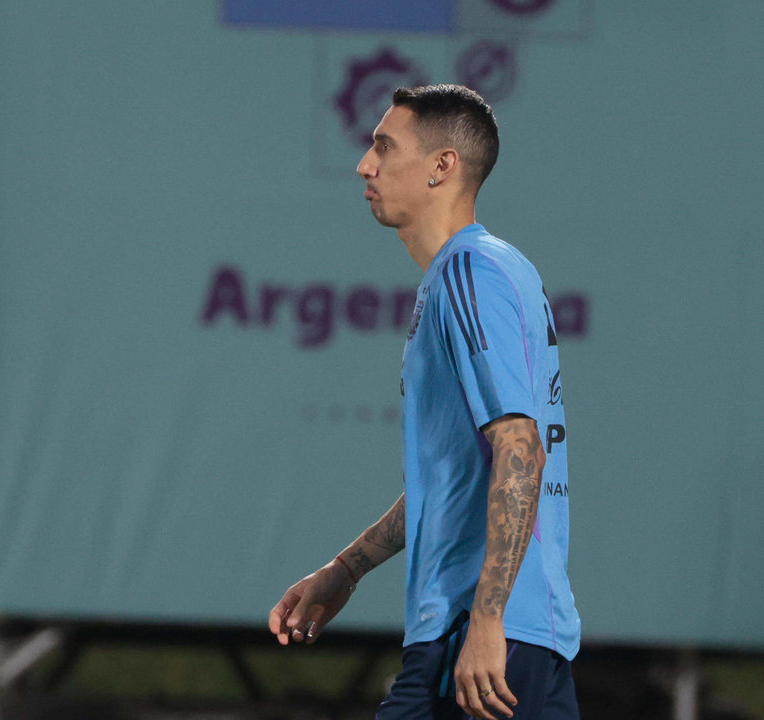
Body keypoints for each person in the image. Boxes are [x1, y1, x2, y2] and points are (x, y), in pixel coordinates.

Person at [269, 84, 580, 720]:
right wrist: (347, 568)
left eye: (384, 146)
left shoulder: (471, 272)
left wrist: (487, 623)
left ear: (442, 166)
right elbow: (462, 476)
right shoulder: (482, 273)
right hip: (513, 635)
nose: (365, 163)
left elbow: (520, 449)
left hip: (480, 637)